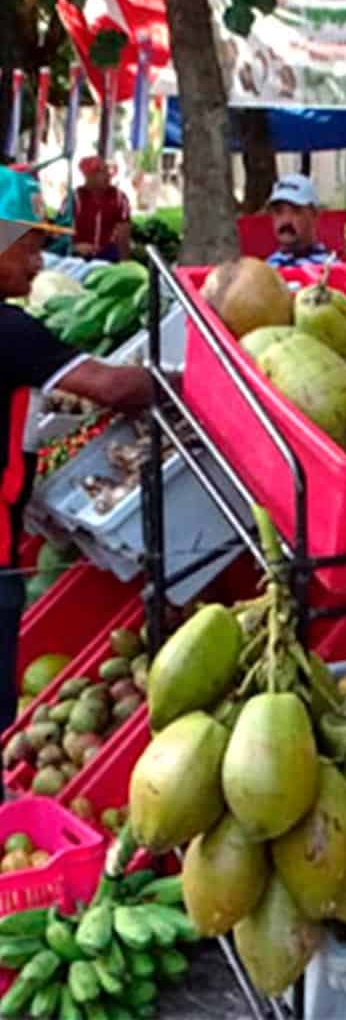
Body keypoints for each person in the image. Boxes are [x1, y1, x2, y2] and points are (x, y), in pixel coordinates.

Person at [0, 170, 152, 725]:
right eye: (31, 247)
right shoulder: (10, 331)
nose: (40, 263)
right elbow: (114, 387)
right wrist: (190, 381)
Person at [263, 174, 332, 267]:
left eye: (296, 211)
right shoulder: (266, 270)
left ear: (314, 214)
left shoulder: (331, 269)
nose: (286, 219)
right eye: (278, 211)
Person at [71, 157, 130, 263]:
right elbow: (61, 229)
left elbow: (124, 233)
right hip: (78, 258)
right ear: (88, 176)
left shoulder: (118, 198)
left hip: (108, 256)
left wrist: (124, 262)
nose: (108, 175)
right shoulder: (75, 198)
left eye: (107, 171)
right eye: (101, 172)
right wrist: (74, 247)